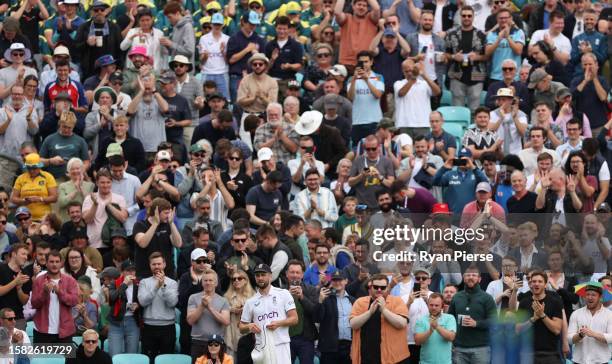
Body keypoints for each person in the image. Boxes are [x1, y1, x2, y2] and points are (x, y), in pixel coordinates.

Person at [239, 263, 298, 363]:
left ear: (270, 276)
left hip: (281, 344)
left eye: (263, 275)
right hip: (261, 347)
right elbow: (241, 327)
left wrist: (279, 323)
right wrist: (249, 326)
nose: (260, 278)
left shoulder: (283, 293)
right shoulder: (250, 302)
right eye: (257, 275)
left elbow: (294, 318)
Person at [349, 273, 410, 364]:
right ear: (370, 287)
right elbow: (353, 324)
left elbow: (401, 323)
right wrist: (369, 313)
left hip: (394, 358)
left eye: (383, 287)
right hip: (366, 357)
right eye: (376, 287)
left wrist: (384, 310)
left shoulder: (397, 301)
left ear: (387, 287)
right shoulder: (360, 302)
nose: (379, 290)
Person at [447, 266, 497, 364]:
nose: (471, 277)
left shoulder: (487, 298)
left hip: (481, 348)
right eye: (468, 275)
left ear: (479, 279)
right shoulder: (457, 297)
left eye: (474, 275)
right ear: (463, 277)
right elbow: (450, 319)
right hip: (459, 349)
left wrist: (476, 323)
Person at [138, 252, 179, 361]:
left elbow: (172, 303)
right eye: (154, 264)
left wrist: (163, 286)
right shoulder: (144, 282)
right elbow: (142, 302)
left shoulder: (172, 283)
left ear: (164, 264)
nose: (156, 266)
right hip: (149, 327)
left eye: (159, 264)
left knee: (166, 360)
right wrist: (156, 287)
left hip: (167, 327)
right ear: (150, 265)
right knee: (149, 359)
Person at [30, 250, 78, 343]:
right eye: (51, 262)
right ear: (46, 263)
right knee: (41, 358)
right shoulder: (39, 280)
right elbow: (34, 304)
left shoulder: (70, 280)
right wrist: (44, 293)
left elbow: (74, 301)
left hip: (65, 331)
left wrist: (60, 292)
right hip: (42, 330)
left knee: (67, 358)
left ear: (61, 264)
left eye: (57, 262)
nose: (54, 264)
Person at [516, 271, 564, 363]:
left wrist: (542, 315)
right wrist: (533, 319)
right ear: (530, 284)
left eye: (540, 281)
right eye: (533, 281)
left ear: (545, 284)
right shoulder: (524, 302)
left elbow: (557, 330)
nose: (536, 284)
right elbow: (518, 329)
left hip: (550, 354)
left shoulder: (555, 302)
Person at [445, 5, 487, 110]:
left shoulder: (481, 35)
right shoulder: (451, 34)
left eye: (469, 16)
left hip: (476, 76)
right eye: (464, 16)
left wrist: (476, 57)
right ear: (460, 17)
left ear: (473, 17)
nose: (466, 18)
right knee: (457, 109)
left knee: (475, 111)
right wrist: (454, 56)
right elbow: (445, 54)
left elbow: (487, 56)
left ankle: (474, 127)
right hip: (457, 75)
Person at [133, 197, 183, 279]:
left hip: (167, 273)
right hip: (145, 273)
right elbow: (142, 243)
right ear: (156, 212)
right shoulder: (140, 225)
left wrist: (171, 224)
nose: (169, 216)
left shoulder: (168, 225)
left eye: (169, 213)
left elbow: (178, 244)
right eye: (166, 213)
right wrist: (155, 224)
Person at [187, 268, 230, 358]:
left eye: (211, 280)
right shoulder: (193, 298)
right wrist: (202, 306)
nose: (208, 283)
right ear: (202, 283)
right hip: (198, 342)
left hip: (217, 342)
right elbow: (190, 321)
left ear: (216, 283)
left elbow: (226, 321)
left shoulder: (223, 300)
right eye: (205, 280)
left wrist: (210, 307)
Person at [73, 0, 122, 79]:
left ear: (106, 12)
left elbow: (120, 50)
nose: (99, 12)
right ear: (91, 12)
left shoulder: (114, 27)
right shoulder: (84, 27)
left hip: (109, 69)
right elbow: (75, 48)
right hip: (90, 70)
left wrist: (119, 68)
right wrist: (87, 43)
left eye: (102, 10)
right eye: (96, 10)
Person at [82, 169, 128, 250]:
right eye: (102, 182)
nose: (105, 185)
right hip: (95, 244)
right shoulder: (89, 198)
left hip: (114, 244)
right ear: (97, 183)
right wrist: (95, 204)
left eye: (108, 182)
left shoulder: (119, 198)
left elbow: (123, 218)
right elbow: (87, 220)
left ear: (111, 182)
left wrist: (109, 205)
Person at [394, 58, 440, 139]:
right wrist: (413, 78)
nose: (409, 73)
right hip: (404, 124)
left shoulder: (424, 84)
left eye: (411, 70)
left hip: (423, 124)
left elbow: (437, 92)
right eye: (406, 71)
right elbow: (401, 93)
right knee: (405, 151)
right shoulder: (398, 83)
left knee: (423, 150)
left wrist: (424, 74)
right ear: (403, 72)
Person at [126, 72, 170, 155]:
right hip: (138, 149)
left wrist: (153, 89)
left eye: (149, 80)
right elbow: (130, 111)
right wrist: (141, 91)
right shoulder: (135, 100)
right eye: (144, 81)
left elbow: (165, 109)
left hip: (157, 148)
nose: (147, 83)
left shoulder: (159, 99)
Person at [567, 283, 612, 364]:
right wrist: (580, 335)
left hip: (601, 361)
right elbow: (569, 339)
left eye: (593, 295)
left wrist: (593, 334)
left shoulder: (609, 315)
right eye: (587, 294)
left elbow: (611, 337)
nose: (589, 297)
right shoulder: (576, 313)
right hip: (579, 361)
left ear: (600, 297)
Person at [347, 51, 385, 145]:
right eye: (361, 62)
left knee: (375, 148)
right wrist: (354, 79)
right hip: (357, 121)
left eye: (366, 61)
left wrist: (366, 80)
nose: (364, 64)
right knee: (357, 149)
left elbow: (378, 95)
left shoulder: (378, 77)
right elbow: (350, 97)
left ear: (371, 62)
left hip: (375, 121)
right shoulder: (351, 79)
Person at [348, 135, 395, 209]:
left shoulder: (386, 161)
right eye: (368, 149)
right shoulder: (358, 160)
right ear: (364, 148)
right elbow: (350, 182)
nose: (371, 151)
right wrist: (361, 176)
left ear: (379, 147)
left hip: (381, 205)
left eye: (374, 149)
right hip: (362, 205)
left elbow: (391, 184)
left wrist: (380, 177)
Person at [39, 111, 90, 180]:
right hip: (54, 179)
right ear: (59, 123)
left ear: (74, 126)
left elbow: (86, 162)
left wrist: (78, 172)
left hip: (74, 179)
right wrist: (50, 161)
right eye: (64, 127)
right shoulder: (49, 139)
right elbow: (38, 162)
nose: (66, 130)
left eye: (69, 128)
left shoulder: (80, 141)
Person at [10, 153, 57, 221]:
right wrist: (23, 201)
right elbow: (13, 198)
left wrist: (40, 199)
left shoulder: (48, 177)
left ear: (39, 166)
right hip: (25, 218)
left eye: (34, 168)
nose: (32, 171)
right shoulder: (20, 178)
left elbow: (54, 198)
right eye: (29, 168)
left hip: (44, 218)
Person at [107, 260, 140, 357]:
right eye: (128, 270)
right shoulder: (115, 283)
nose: (131, 273)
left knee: (132, 356)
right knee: (114, 355)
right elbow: (112, 299)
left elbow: (144, 301)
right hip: (116, 322)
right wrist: (124, 285)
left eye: (133, 270)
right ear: (122, 272)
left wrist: (138, 305)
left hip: (133, 321)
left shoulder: (139, 284)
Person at [413, 293, 457, 364]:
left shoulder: (450, 318)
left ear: (442, 306)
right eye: (431, 305)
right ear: (427, 305)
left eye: (436, 305)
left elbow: (451, 337)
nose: (433, 307)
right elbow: (417, 341)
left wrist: (437, 327)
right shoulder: (421, 320)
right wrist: (430, 331)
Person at [334, 0, 380, 68]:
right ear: (353, 6)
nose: (361, 7)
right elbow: (337, 13)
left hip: (364, 64)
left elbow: (377, 9)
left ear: (367, 9)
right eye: (359, 4)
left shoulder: (371, 19)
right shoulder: (347, 18)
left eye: (364, 6)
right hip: (346, 63)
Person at [119, 7, 165, 73]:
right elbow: (122, 47)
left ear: (152, 19)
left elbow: (163, 53)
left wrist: (163, 68)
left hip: (154, 70)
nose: (145, 23)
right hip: (134, 70)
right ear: (138, 21)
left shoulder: (159, 33)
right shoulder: (132, 32)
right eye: (142, 20)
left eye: (147, 20)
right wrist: (132, 37)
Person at [485, 9, 525, 82]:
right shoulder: (492, 34)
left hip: (514, 77)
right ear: (497, 19)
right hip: (496, 76)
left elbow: (518, 51)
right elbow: (487, 53)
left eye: (506, 18)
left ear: (511, 18)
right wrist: (498, 39)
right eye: (501, 18)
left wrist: (507, 37)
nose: (503, 20)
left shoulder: (518, 32)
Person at [0, 85, 38, 160]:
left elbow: (34, 132)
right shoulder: (2, 111)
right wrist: (8, 120)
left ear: (23, 95)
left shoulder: (31, 110)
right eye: (14, 94)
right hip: (6, 157)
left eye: (19, 94)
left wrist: (28, 118)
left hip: (26, 157)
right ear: (11, 95)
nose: (17, 96)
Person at [223, 269, 254, 358]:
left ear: (245, 281)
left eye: (239, 278)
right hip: (231, 333)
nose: (236, 280)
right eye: (234, 279)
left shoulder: (253, 296)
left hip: (248, 333)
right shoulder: (226, 297)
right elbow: (220, 311)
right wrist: (231, 309)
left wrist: (246, 310)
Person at [0, 244, 30, 330]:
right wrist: (15, 282)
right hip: (1, 318)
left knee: (19, 343)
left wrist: (19, 289)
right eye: (23, 254)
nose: (26, 257)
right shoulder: (1, 268)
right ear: (14, 254)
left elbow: (24, 301)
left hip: (18, 319)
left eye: (27, 255)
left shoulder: (25, 273)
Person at [162, 1, 196, 66]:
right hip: (176, 69)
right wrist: (167, 44)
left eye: (170, 17)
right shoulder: (175, 27)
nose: (169, 20)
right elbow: (174, 50)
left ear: (177, 13)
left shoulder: (187, 26)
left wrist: (171, 44)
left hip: (186, 71)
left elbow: (190, 51)